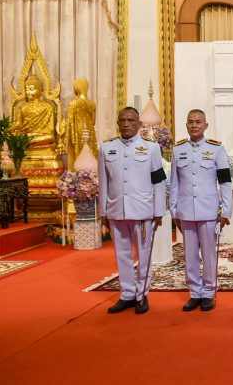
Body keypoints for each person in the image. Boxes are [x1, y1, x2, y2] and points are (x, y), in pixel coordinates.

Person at [99, 107, 166, 314]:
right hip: (117, 210)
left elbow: (159, 181)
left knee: (144, 254)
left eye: (131, 120)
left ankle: (142, 294)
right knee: (122, 254)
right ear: (118, 123)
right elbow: (103, 182)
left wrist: (159, 210)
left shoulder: (151, 148)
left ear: (139, 124)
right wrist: (103, 211)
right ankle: (127, 294)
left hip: (143, 211)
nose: (126, 124)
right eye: (122, 120)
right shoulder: (106, 148)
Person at [170, 109, 232, 312]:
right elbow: (175, 183)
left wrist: (226, 210)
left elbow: (224, 182)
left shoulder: (216, 149)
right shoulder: (178, 149)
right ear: (186, 125)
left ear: (206, 125)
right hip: (186, 210)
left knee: (208, 253)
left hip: (208, 211)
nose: (194, 125)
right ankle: (194, 292)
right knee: (189, 255)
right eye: (190, 122)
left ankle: (208, 292)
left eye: (198, 122)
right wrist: (174, 210)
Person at [61, 78, 97, 169]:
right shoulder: (92, 104)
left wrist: (68, 136)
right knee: (89, 152)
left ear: (77, 88)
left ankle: (77, 175)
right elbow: (93, 121)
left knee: (78, 154)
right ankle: (91, 175)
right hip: (90, 131)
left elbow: (69, 122)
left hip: (77, 131)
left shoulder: (74, 103)